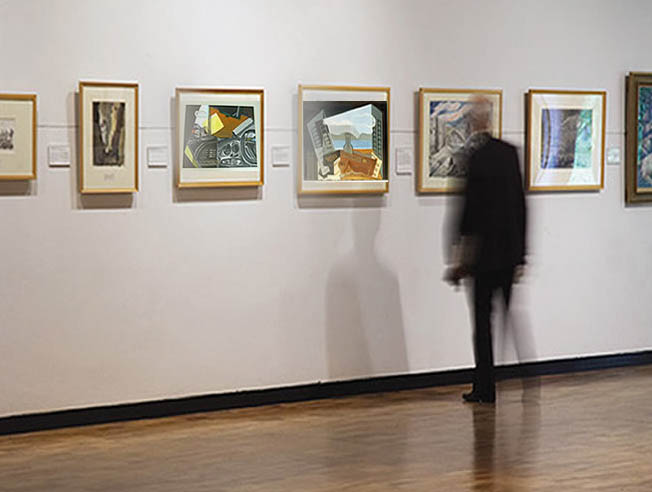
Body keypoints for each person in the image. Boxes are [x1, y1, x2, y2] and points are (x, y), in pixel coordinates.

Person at [444, 96, 527, 404]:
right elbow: (521, 207)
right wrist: (521, 255)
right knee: (510, 318)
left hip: (482, 259)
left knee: (482, 325)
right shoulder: (509, 154)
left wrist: (457, 257)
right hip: (508, 255)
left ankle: (485, 387)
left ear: (474, 122)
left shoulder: (474, 158)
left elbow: (467, 214)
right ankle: (527, 379)